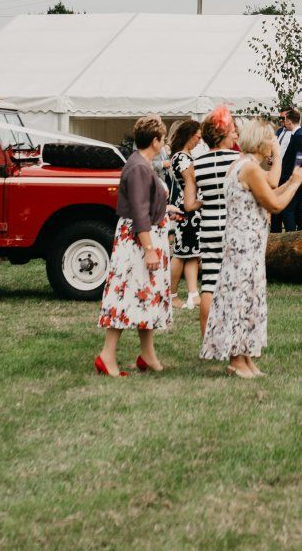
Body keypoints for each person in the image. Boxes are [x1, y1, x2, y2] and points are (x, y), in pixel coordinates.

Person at [200, 117, 302, 377]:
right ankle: (237, 360)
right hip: (243, 247)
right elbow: (275, 205)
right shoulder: (248, 168)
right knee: (241, 300)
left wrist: (290, 181)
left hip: (247, 245)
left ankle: (246, 357)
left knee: (250, 300)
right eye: (271, 138)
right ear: (262, 143)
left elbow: (270, 194)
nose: (274, 142)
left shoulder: (245, 166)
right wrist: (293, 180)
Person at [95, 115, 173, 377]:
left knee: (146, 296)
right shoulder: (139, 166)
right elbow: (138, 210)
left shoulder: (142, 164)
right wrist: (149, 248)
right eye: (163, 139)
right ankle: (107, 355)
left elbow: (146, 203)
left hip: (144, 235)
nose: (164, 144)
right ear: (155, 140)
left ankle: (147, 354)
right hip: (138, 242)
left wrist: (166, 209)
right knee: (127, 294)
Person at [191, 105, 243, 335]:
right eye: (232, 130)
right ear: (222, 134)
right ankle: (233, 335)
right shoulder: (238, 160)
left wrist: (208, 202)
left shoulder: (197, 163)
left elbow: (190, 203)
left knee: (209, 284)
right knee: (236, 282)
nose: (235, 135)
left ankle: (206, 338)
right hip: (233, 224)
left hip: (209, 225)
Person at [166, 119, 204, 309]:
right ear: (189, 136)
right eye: (197, 137)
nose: (199, 140)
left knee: (191, 253)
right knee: (181, 254)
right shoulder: (181, 158)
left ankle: (193, 294)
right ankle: (171, 295)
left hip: (193, 210)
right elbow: (193, 181)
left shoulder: (185, 156)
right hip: (187, 210)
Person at [271, 107, 302, 231]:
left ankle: (292, 236)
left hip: (292, 176)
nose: (282, 121)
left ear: (289, 119)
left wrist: (301, 168)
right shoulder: (281, 132)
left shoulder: (300, 134)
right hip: (283, 175)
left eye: (284, 118)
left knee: (291, 209)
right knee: (292, 209)